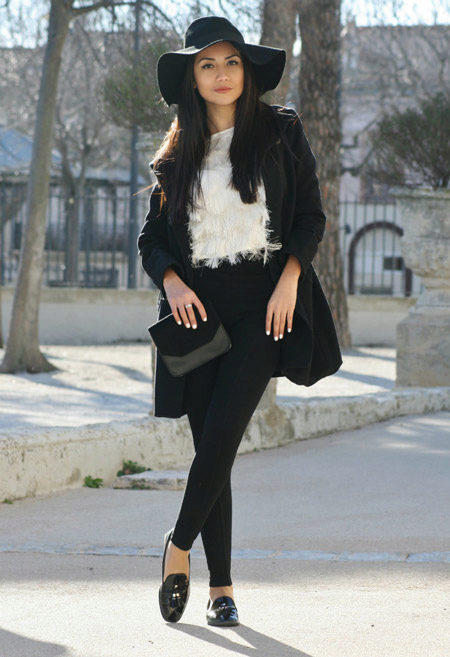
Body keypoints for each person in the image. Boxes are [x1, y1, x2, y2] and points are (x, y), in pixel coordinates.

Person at [137, 15, 342, 627]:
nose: (221, 74)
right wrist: (172, 281)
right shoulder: (177, 155)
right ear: (193, 79)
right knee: (212, 449)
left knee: (224, 435)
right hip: (197, 314)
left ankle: (177, 547)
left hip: (263, 309)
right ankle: (220, 587)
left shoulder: (281, 131)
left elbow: (310, 215)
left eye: (231, 62)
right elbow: (152, 239)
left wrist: (291, 279)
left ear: (247, 72)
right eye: (207, 65)